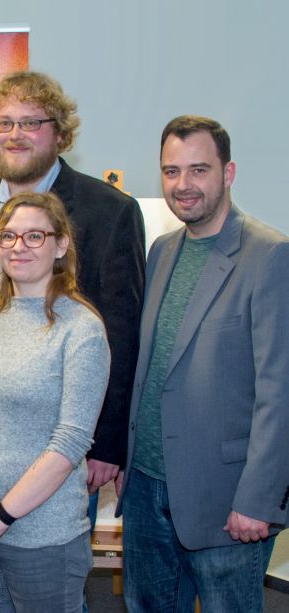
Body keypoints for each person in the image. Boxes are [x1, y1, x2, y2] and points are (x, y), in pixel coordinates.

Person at [0, 71, 144, 505]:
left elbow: (122, 333)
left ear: (59, 134)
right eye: (4, 123)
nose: (15, 135)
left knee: (47, 563)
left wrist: (108, 442)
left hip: (61, 438)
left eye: (31, 123)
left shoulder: (110, 212)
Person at [117, 115, 289, 612]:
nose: (183, 186)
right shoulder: (162, 250)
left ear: (228, 173)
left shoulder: (270, 255)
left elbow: (280, 393)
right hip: (147, 489)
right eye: (171, 172)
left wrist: (258, 500)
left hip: (225, 498)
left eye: (198, 170)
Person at [0, 191, 110, 612]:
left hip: (43, 539)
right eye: (7, 236)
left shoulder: (81, 330)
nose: (18, 247)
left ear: (61, 245)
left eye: (35, 236)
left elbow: (69, 443)